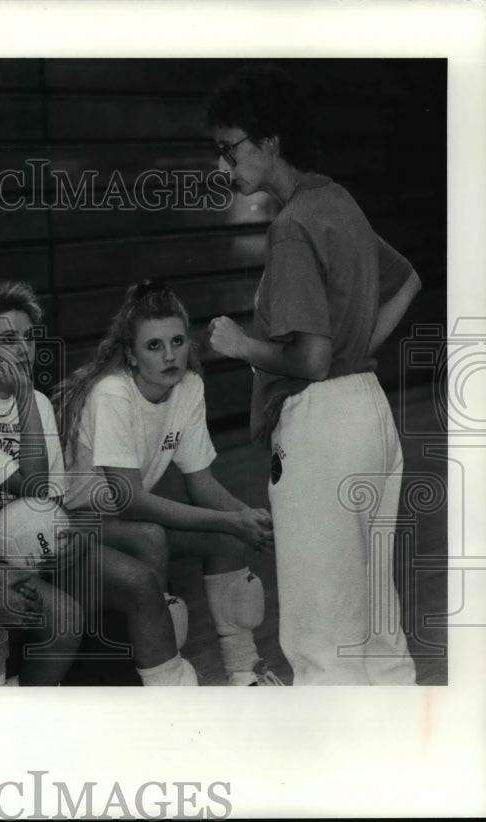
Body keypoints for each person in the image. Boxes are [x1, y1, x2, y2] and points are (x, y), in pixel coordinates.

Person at [204, 64, 421, 685]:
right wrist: (351, 352)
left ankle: (331, 778)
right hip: (369, 414)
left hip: (322, 426)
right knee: (379, 628)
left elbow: (308, 360)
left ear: (270, 140)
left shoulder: (292, 226)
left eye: (230, 149)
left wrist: (241, 343)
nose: (225, 167)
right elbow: (407, 279)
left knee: (322, 635)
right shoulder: (338, 201)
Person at [0, 281, 197, 686]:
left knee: (139, 581)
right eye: (7, 339)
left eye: (29, 338)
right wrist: (22, 401)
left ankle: (166, 699)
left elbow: (50, 503)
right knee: (62, 616)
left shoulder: (36, 402)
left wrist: (70, 539)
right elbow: (32, 487)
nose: (22, 349)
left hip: (32, 541)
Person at [54, 281, 281, 686]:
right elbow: (132, 503)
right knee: (151, 537)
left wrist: (246, 518)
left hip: (119, 521)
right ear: (132, 355)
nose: (170, 354)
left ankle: (246, 674)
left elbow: (202, 483)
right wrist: (229, 520)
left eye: (177, 341)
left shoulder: (188, 386)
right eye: (154, 346)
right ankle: (165, 678)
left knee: (228, 541)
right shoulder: (112, 393)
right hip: (73, 523)